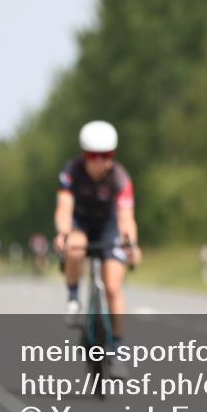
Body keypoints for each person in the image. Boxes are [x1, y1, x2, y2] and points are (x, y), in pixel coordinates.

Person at [53, 120, 142, 374]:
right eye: (93, 155)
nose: (99, 161)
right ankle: (73, 298)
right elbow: (64, 209)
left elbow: (126, 219)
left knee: (113, 286)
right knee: (76, 245)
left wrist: (131, 244)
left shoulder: (120, 178)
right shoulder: (71, 172)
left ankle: (119, 347)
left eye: (106, 155)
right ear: (84, 155)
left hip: (108, 227)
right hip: (79, 224)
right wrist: (63, 233)